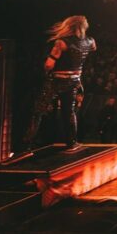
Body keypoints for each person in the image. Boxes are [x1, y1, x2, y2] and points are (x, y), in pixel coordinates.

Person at [29, 15, 96, 151]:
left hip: (57, 80)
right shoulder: (90, 41)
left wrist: (45, 72)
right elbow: (92, 49)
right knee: (69, 111)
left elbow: (49, 64)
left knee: (38, 110)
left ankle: (26, 144)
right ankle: (72, 142)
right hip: (75, 81)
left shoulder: (61, 43)